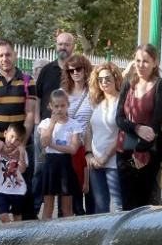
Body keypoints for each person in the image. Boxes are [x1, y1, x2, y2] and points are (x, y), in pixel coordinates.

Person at [0, 39, 38, 223]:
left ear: (15, 55)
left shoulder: (28, 81)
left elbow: (29, 114)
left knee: (24, 189)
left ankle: (24, 233)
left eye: (8, 54)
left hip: (22, 143)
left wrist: (19, 143)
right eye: (1, 55)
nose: (5, 59)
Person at [115, 44, 162, 210]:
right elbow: (119, 119)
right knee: (127, 204)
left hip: (149, 151)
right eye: (137, 60)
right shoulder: (127, 84)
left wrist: (140, 151)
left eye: (145, 61)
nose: (140, 65)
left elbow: (155, 123)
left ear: (155, 62)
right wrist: (137, 128)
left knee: (146, 205)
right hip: (124, 151)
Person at [86, 63, 124, 213]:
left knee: (119, 206)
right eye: (100, 79)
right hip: (95, 163)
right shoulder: (96, 102)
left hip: (113, 162)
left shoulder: (122, 102)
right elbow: (88, 129)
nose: (104, 82)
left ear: (115, 78)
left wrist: (105, 157)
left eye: (107, 78)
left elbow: (122, 133)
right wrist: (89, 154)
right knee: (100, 207)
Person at [38, 90, 81, 219]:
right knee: (48, 206)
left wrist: (54, 146)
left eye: (62, 106)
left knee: (67, 208)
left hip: (65, 165)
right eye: (56, 106)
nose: (59, 109)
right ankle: (45, 234)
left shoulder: (74, 124)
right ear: (50, 106)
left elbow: (73, 149)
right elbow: (44, 142)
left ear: (68, 105)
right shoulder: (45, 123)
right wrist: (52, 123)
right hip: (50, 165)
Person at [62, 53, 93, 214]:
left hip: (87, 149)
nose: (75, 73)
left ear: (85, 69)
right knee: (72, 196)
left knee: (89, 193)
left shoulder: (93, 93)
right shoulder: (63, 93)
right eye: (71, 70)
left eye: (78, 69)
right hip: (68, 151)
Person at [0, 124, 29, 223]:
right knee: (3, 216)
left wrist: (21, 154)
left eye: (17, 140)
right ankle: (10, 234)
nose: (13, 141)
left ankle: (16, 236)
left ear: (21, 142)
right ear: (5, 133)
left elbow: (22, 170)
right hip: (2, 190)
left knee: (17, 217)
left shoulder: (23, 152)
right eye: (11, 136)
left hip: (18, 190)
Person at [35, 31, 76, 121]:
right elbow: (37, 97)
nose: (63, 47)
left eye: (66, 45)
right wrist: (37, 121)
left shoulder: (78, 71)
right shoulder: (46, 70)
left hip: (69, 127)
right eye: (60, 44)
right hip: (46, 126)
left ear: (73, 47)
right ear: (56, 46)